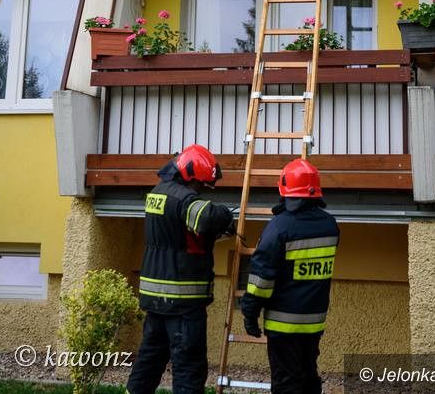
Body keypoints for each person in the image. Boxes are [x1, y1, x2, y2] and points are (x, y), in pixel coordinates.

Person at [126, 144, 234, 394]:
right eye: (200, 185)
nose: (200, 190)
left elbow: (178, 235)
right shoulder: (183, 198)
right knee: (189, 370)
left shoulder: (158, 192)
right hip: (183, 304)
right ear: (189, 174)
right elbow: (205, 216)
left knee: (148, 362)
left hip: (155, 300)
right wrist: (225, 215)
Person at [240, 158, 339, 394]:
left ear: (285, 190)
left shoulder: (279, 227)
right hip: (314, 322)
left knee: (286, 384)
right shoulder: (330, 225)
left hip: (283, 326)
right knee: (308, 377)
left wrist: (250, 314)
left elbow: (261, 281)